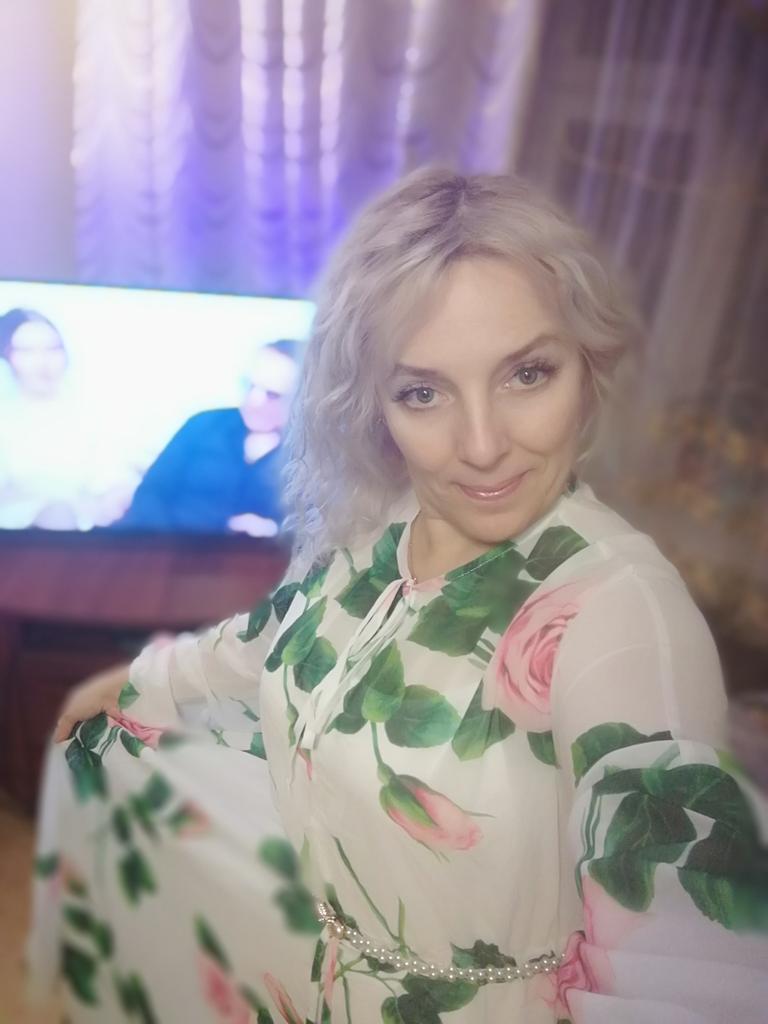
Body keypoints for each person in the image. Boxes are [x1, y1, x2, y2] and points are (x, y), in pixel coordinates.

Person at [31, 169, 767, 1022]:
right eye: (423, 392)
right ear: (373, 406)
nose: (482, 445)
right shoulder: (381, 527)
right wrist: (134, 682)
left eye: (528, 374)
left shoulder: (624, 616)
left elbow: (681, 973)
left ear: (588, 368)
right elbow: (269, 640)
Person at [112, 339, 302, 536]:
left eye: (272, 395)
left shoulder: (306, 454)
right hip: (165, 547)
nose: (254, 400)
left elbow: (312, 528)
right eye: (250, 386)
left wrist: (274, 531)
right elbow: (150, 494)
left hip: (254, 555)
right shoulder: (203, 425)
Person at [0, 308, 137, 529]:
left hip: (84, 535)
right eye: (27, 351)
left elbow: (114, 478)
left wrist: (118, 497)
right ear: (7, 356)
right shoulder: (5, 419)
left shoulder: (93, 416)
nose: (42, 362)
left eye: (52, 349)